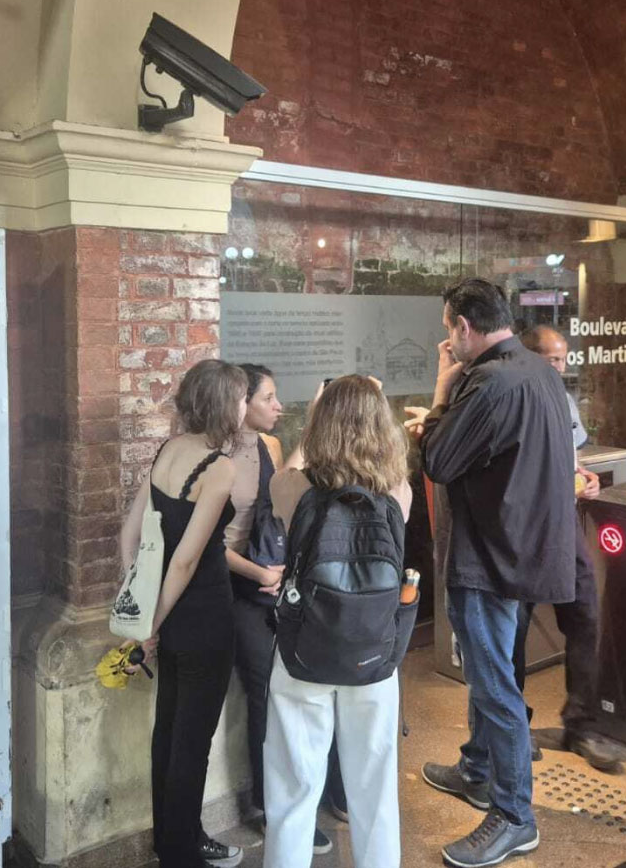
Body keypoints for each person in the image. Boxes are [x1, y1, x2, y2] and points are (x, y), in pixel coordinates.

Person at [403, 279, 576, 868]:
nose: (448, 342)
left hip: (488, 558)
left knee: (494, 685)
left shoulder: (490, 382)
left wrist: (440, 394)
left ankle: (514, 816)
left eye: (448, 329)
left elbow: (438, 461)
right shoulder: (539, 371)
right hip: (523, 550)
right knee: (494, 674)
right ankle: (477, 768)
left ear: (464, 327)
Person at [263, 375, 414, 868]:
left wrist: (315, 419)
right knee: (375, 787)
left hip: (304, 651)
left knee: (292, 786)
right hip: (373, 654)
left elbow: (286, 474)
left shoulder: (293, 488)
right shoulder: (397, 493)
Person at [118, 359, 248, 868]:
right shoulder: (219, 468)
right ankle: (180, 855)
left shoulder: (167, 450)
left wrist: (143, 612)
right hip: (204, 617)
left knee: (168, 732)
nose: (244, 407)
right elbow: (187, 560)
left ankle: (175, 840)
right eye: (242, 398)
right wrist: (149, 624)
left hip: (168, 615)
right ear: (225, 406)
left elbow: (129, 536)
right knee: (191, 743)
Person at [224, 365, 337, 856]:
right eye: (267, 398)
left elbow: (284, 492)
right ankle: (271, 807)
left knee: (285, 698)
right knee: (264, 698)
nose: (277, 406)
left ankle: (294, 805)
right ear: (240, 403)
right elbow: (208, 542)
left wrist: (315, 423)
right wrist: (258, 573)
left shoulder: (268, 446)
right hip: (239, 590)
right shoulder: (220, 456)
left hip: (275, 587)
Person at [514, 324, 621, 775]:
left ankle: (581, 725)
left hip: (563, 526)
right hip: (521, 531)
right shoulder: (513, 398)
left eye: (563, 359)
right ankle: (514, 727)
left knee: (585, 617)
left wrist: (585, 477)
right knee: (512, 631)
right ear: (529, 357)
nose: (560, 367)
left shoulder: (564, 400)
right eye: (552, 359)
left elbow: (570, 456)